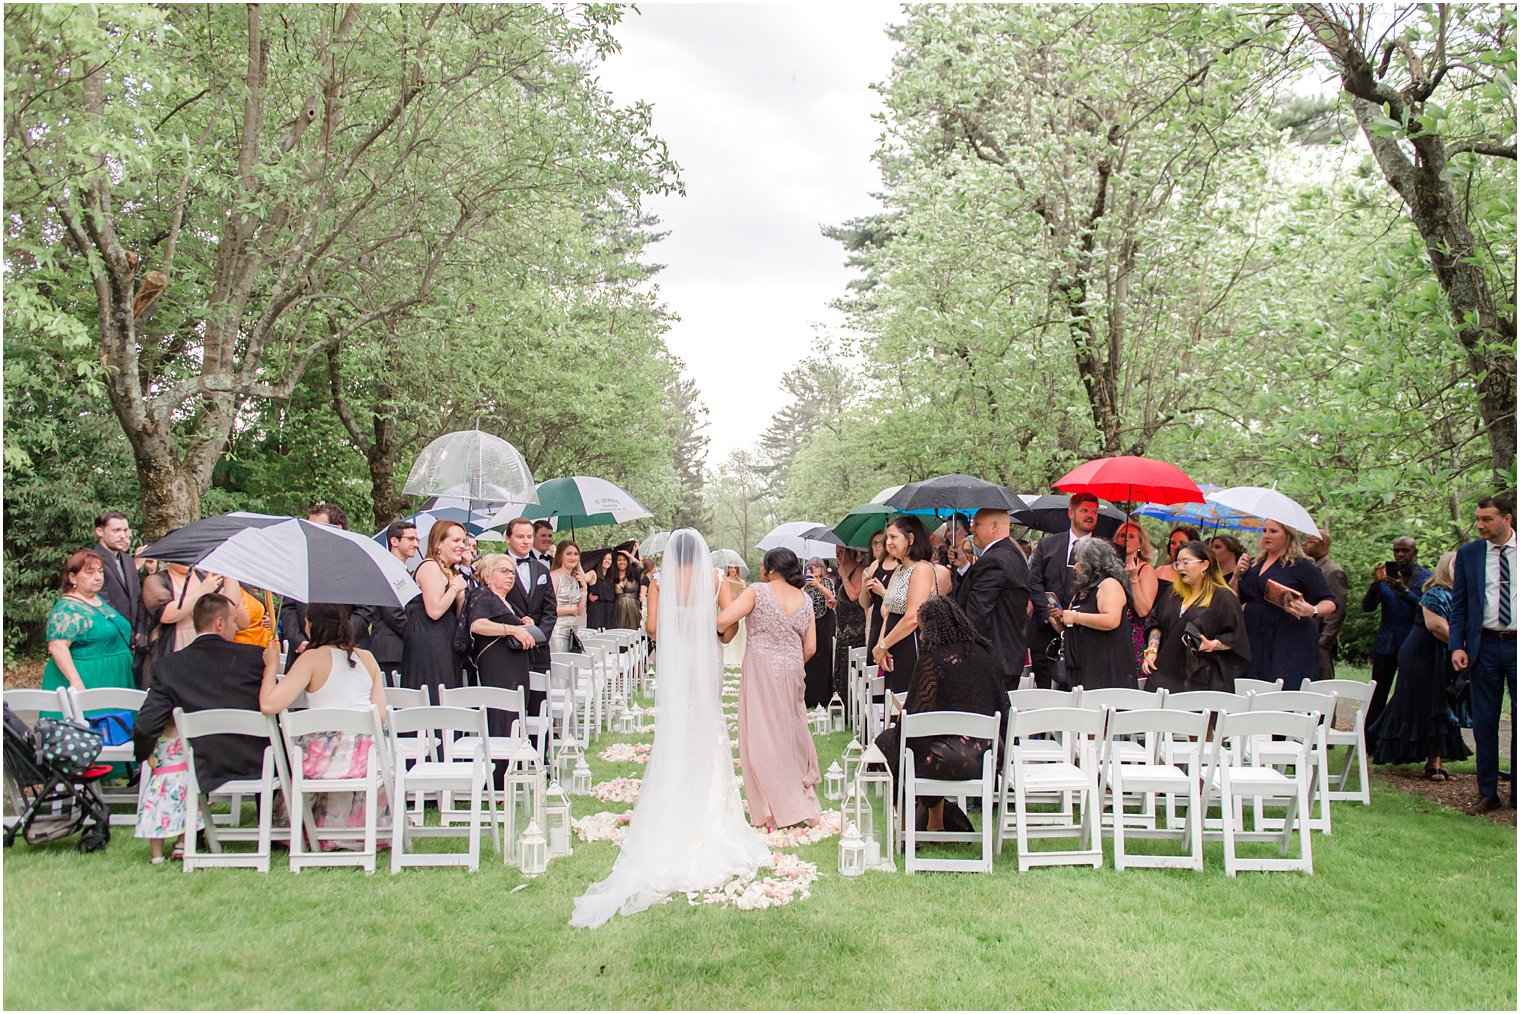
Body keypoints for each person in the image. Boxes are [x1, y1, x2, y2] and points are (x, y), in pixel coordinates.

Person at [572, 530, 770, 929]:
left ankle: (674, 793)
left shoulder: (660, 581)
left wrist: (677, 628)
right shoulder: (715, 579)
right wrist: (710, 631)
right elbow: (728, 629)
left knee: (676, 724)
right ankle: (709, 804)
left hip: (676, 662)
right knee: (709, 723)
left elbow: (651, 628)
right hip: (706, 661)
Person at [133, 594, 279, 862]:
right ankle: (275, 827)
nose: (238, 628)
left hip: (198, 763)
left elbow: (146, 725)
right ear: (220, 623)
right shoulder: (255, 658)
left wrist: (145, 755)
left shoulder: (170, 667)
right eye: (235, 622)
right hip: (257, 761)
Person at [260, 603, 391, 849]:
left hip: (323, 763)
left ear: (314, 626)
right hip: (367, 760)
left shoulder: (311, 658)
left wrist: (270, 667)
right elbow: (380, 715)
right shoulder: (368, 658)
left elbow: (269, 704)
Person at [874, 597, 1006, 833]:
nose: (922, 638)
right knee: (926, 745)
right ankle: (936, 821)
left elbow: (913, 717)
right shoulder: (985, 655)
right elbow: (1002, 705)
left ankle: (906, 826)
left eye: (923, 631)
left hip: (948, 760)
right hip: (987, 757)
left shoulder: (933, 660)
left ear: (934, 630)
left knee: (894, 744)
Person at [716, 547, 821, 832]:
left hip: (762, 670)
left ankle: (771, 807)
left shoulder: (757, 592)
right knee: (791, 733)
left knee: (761, 737)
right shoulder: (805, 599)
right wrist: (789, 657)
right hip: (793, 669)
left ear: (771, 568)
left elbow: (724, 620)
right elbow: (810, 647)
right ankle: (796, 798)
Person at [1370, 552, 1471, 778]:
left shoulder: (1461, 594)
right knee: (1426, 704)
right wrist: (1467, 647)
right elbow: (1436, 626)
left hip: (1444, 654)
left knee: (1442, 704)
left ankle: (1436, 761)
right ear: (1447, 568)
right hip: (1421, 655)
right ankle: (1430, 761)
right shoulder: (1435, 593)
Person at [1450, 494, 1517, 814]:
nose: (1480, 525)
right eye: (1478, 519)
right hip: (1484, 645)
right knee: (1485, 722)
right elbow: (1459, 605)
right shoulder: (1470, 554)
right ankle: (1488, 792)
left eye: (1487, 519)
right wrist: (1457, 645)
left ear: (1508, 518)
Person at [1237, 521, 1335, 690]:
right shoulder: (1254, 563)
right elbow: (1235, 597)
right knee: (1249, 686)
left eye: (1273, 531)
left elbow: (1330, 602)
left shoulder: (1301, 566)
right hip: (1253, 633)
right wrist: (1237, 575)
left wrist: (1312, 610)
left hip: (1286, 635)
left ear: (1288, 535)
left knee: (1280, 685)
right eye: (1264, 530)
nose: (1267, 535)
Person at [1142, 542, 1250, 693]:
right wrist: (1152, 651)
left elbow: (1235, 637)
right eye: (1177, 563)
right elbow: (1156, 623)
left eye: (1186, 562)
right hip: (1164, 674)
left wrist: (1211, 644)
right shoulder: (1173, 593)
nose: (1180, 568)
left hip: (1200, 681)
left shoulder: (1224, 597)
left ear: (1205, 564)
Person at [41, 551, 136, 706]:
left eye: (100, 572)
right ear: (72, 577)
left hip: (115, 676)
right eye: (90, 573)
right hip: (91, 679)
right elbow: (57, 646)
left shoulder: (94, 598)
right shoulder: (68, 608)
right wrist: (76, 682)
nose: (98, 577)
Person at [952, 507, 1031, 692]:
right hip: (1008, 655)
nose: (972, 529)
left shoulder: (994, 559)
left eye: (977, 524)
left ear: (994, 526)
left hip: (992, 658)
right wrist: (964, 567)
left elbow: (976, 615)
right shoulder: (1013, 554)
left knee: (988, 720)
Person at [1028, 492, 1100, 689]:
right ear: (1071, 513)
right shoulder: (1047, 544)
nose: (1090, 515)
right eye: (1085, 510)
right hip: (1045, 633)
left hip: (1083, 636)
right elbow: (1034, 583)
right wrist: (1048, 616)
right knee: (1043, 693)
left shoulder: (1102, 550)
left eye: (1094, 512)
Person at [1360, 536, 1433, 728]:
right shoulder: (1385, 577)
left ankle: (1403, 737)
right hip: (1386, 643)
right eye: (1396, 550)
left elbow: (1428, 608)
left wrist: (1405, 591)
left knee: (1410, 691)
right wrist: (1375, 585)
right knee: (1377, 691)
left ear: (1415, 552)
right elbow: (1367, 607)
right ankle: (1371, 738)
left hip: (1414, 643)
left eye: (1405, 550)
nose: (1400, 554)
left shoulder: (1427, 577)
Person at [1057, 538, 1139, 690]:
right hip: (1081, 666)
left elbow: (1111, 620)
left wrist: (1076, 617)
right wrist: (1060, 616)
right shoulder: (1084, 590)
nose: (1075, 567)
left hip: (1104, 669)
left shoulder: (1109, 585)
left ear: (1092, 563)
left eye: (1078, 561)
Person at [401, 519, 468, 696]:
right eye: (455, 541)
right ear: (438, 543)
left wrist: (460, 597)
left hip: (445, 641)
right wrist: (454, 589)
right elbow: (435, 611)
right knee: (434, 694)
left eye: (463, 541)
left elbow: (456, 615)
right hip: (429, 643)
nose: (462, 545)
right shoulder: (430, 567)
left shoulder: (449, 571)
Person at [873, 515, 938, 695]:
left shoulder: (922, 569)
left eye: (894, 537)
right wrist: (881, 645)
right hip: (894, 645)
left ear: (910, 538)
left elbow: (912, 617)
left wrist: (884, 645)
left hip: (913, 644)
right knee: (892, 700)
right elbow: (887, 612)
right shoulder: (899, 570)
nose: (888, 543)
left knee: (907, 700)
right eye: (888, 538)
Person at [280, 503, 348, 657]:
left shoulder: (356, 563)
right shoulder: (300, 561)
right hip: (303, 650)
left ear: (338, 528)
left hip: (342, 651)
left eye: (317, 528)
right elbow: (288, 607)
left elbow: (363, 611)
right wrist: (297, 640)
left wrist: (341, 639)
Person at [351, 520, 415, 682]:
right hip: (389, 650)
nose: (415, 544)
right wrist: (417, 633)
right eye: (410, 539)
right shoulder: (385, 569)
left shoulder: (405, 571)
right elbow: (392, 612)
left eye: (417, 540)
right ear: (394, 541)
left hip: (403, 649)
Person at [142, 563, 248, 656]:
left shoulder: (203, 577)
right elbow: (166, 615)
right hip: (175, 645)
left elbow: (230, 603)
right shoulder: (156, 580)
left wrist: (228, 573)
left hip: (205, 645)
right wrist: (202, 590)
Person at [503, 517, 557, 673]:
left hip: (539, 648)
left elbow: (550, 609)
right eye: (520, 537)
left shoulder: (541, 569)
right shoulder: (496, 566)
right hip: (508, 646)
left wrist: (538, 635)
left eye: (529, 537)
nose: (526, 541)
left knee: (540, 695)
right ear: (508, 538)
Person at [1111, 521, 1160, 670]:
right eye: (1122, 535)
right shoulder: (1111, 568)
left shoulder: (1146, 570)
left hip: (1134, 638)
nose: (1125, 539)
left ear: (1140, 544)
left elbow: (1143, 610)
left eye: (1131, 536)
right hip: (1112, 634)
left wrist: (1133, 579)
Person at [1302, 529, 1350, 679]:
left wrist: (1323, 642)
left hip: (1319, 639)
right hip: (1307, 637)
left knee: (1320, 681)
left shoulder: (1333, 572)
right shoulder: (1311, 568)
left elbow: (1337, 610)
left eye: (1309, 541)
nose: (1304, 544)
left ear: (1323, 545)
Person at [90, 510, 141, 650]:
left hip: (133, 638)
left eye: (125, 530)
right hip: (108, 637)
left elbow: (136, 598)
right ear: (100, 531)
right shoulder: (92, 561)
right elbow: (102, 603)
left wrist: (140, 632)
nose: (123, 535)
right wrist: (128, 634)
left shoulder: (128, 560)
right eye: (116, 530)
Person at [832, 547, 867, 698]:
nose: (837, 554)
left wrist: (843, 577)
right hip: (842, 628)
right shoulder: (844, 571)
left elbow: (854, 596)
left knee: (851, 666)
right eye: (836, 551)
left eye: (841, 551)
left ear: (851, 552)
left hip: (855, 629)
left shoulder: (859, 571)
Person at [803, 558, 837, 707]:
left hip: (825, 622)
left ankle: (823, 696)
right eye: (811, 566)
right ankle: (808, 696)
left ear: (822, 568)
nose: (813, 568)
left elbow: (832, 597)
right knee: (809, 657)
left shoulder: (827, 582)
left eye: (817, 566)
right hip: (808, 623)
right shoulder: (804, 584)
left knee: (824, 657)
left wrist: (817, 585)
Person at [859, 529, 898, 654]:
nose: (875, 546)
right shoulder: (875, 565)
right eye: (873, 543)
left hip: (893, 623)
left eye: (878, 542)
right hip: (876, 622)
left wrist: (882, 592)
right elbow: (865, 604)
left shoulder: (901, 566)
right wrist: (865, 589)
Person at [549, 541, 588, 654]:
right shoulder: (554, 576)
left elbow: (580, 611)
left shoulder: (575, 578)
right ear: (560, 555)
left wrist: (584, 588)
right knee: (561, 667)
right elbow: (550, 609)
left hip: (573, 631)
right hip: (558, 630)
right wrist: (570, 610)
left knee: (572, 667)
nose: (573, 557)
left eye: (576, 554)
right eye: (569, 554)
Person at [720, 564, 749, 668]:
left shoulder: (741, 582)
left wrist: (740, 592)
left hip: (738, 608)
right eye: (730, 567)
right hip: (727, 608)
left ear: (737, 570)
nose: (732, 569)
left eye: (734, 568)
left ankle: (738, 654)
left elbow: (744, 598)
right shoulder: (724, 580)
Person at [609, 551, 642, 630]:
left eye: (624, 559)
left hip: (633, 609)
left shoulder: (634, 574)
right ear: (615, 562)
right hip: (618, 611)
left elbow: (641, 566)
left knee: (634, 635)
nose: (622, 562)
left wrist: (628, 555)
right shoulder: (611, 576)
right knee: (619, 635)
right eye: (619, 560)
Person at [584, 551, 615, 631]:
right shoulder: (593, 573)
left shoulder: (611, 575)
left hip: (610, 611)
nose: (607, 561)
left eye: (609, 559)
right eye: (605, 558)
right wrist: (587, 596)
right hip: (596, 611)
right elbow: (583, 578)